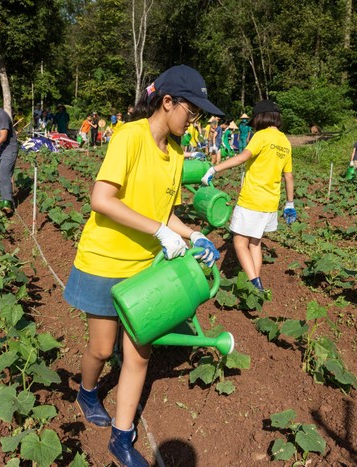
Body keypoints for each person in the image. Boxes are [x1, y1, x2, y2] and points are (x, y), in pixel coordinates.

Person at [64, 65, 222, 467]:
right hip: (103, 260)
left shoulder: (176, 153)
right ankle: (86, 391)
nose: (196, 121)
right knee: (101, 349)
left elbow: (164, 213)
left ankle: (121, 437)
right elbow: (102, 199)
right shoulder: (128, 137)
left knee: (139, 352)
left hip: (144, 267)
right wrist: (160, 230)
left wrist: (191, 234)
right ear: (167, 102)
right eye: (193, 111)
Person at [201, 100, 295, 292]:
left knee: (239, 241)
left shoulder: (261, 136)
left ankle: (254, 283)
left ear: (261, 118)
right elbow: (289, 176)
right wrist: (290, 204)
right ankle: (257, 281)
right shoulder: (285, 142)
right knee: (255, 242)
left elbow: (243, 156)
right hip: (270, 202)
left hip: (252, 199)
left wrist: (214, 169)